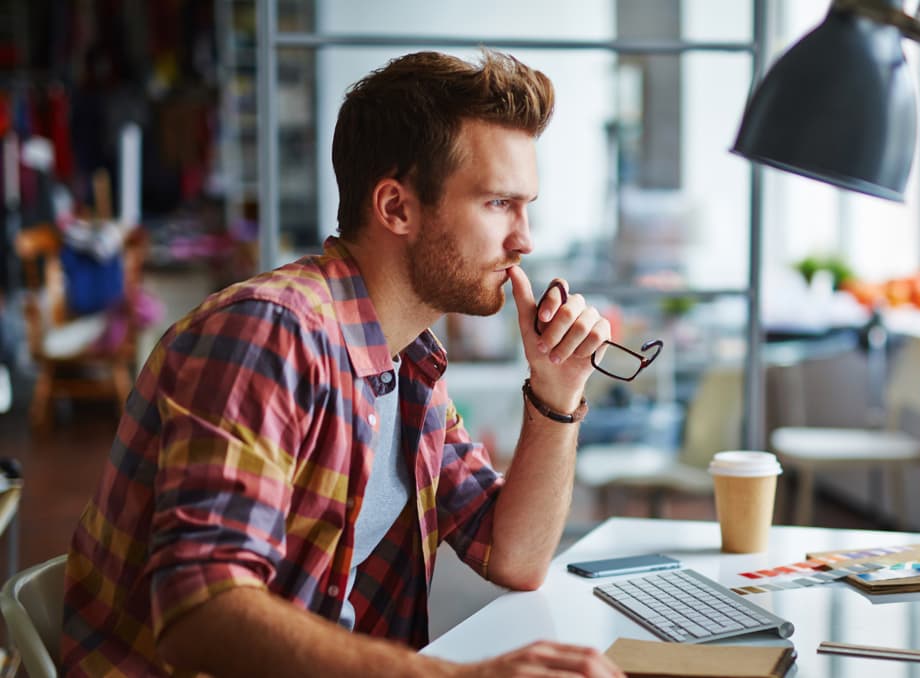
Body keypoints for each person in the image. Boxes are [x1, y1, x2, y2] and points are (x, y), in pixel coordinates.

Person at [62, 50, 624, 677]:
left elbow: (513, 556)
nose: (525, 239)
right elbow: (200, 612)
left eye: (527, 207)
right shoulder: (268, 335)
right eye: (498, 204)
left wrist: (557, 390)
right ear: (396, 208)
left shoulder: (406, 363)